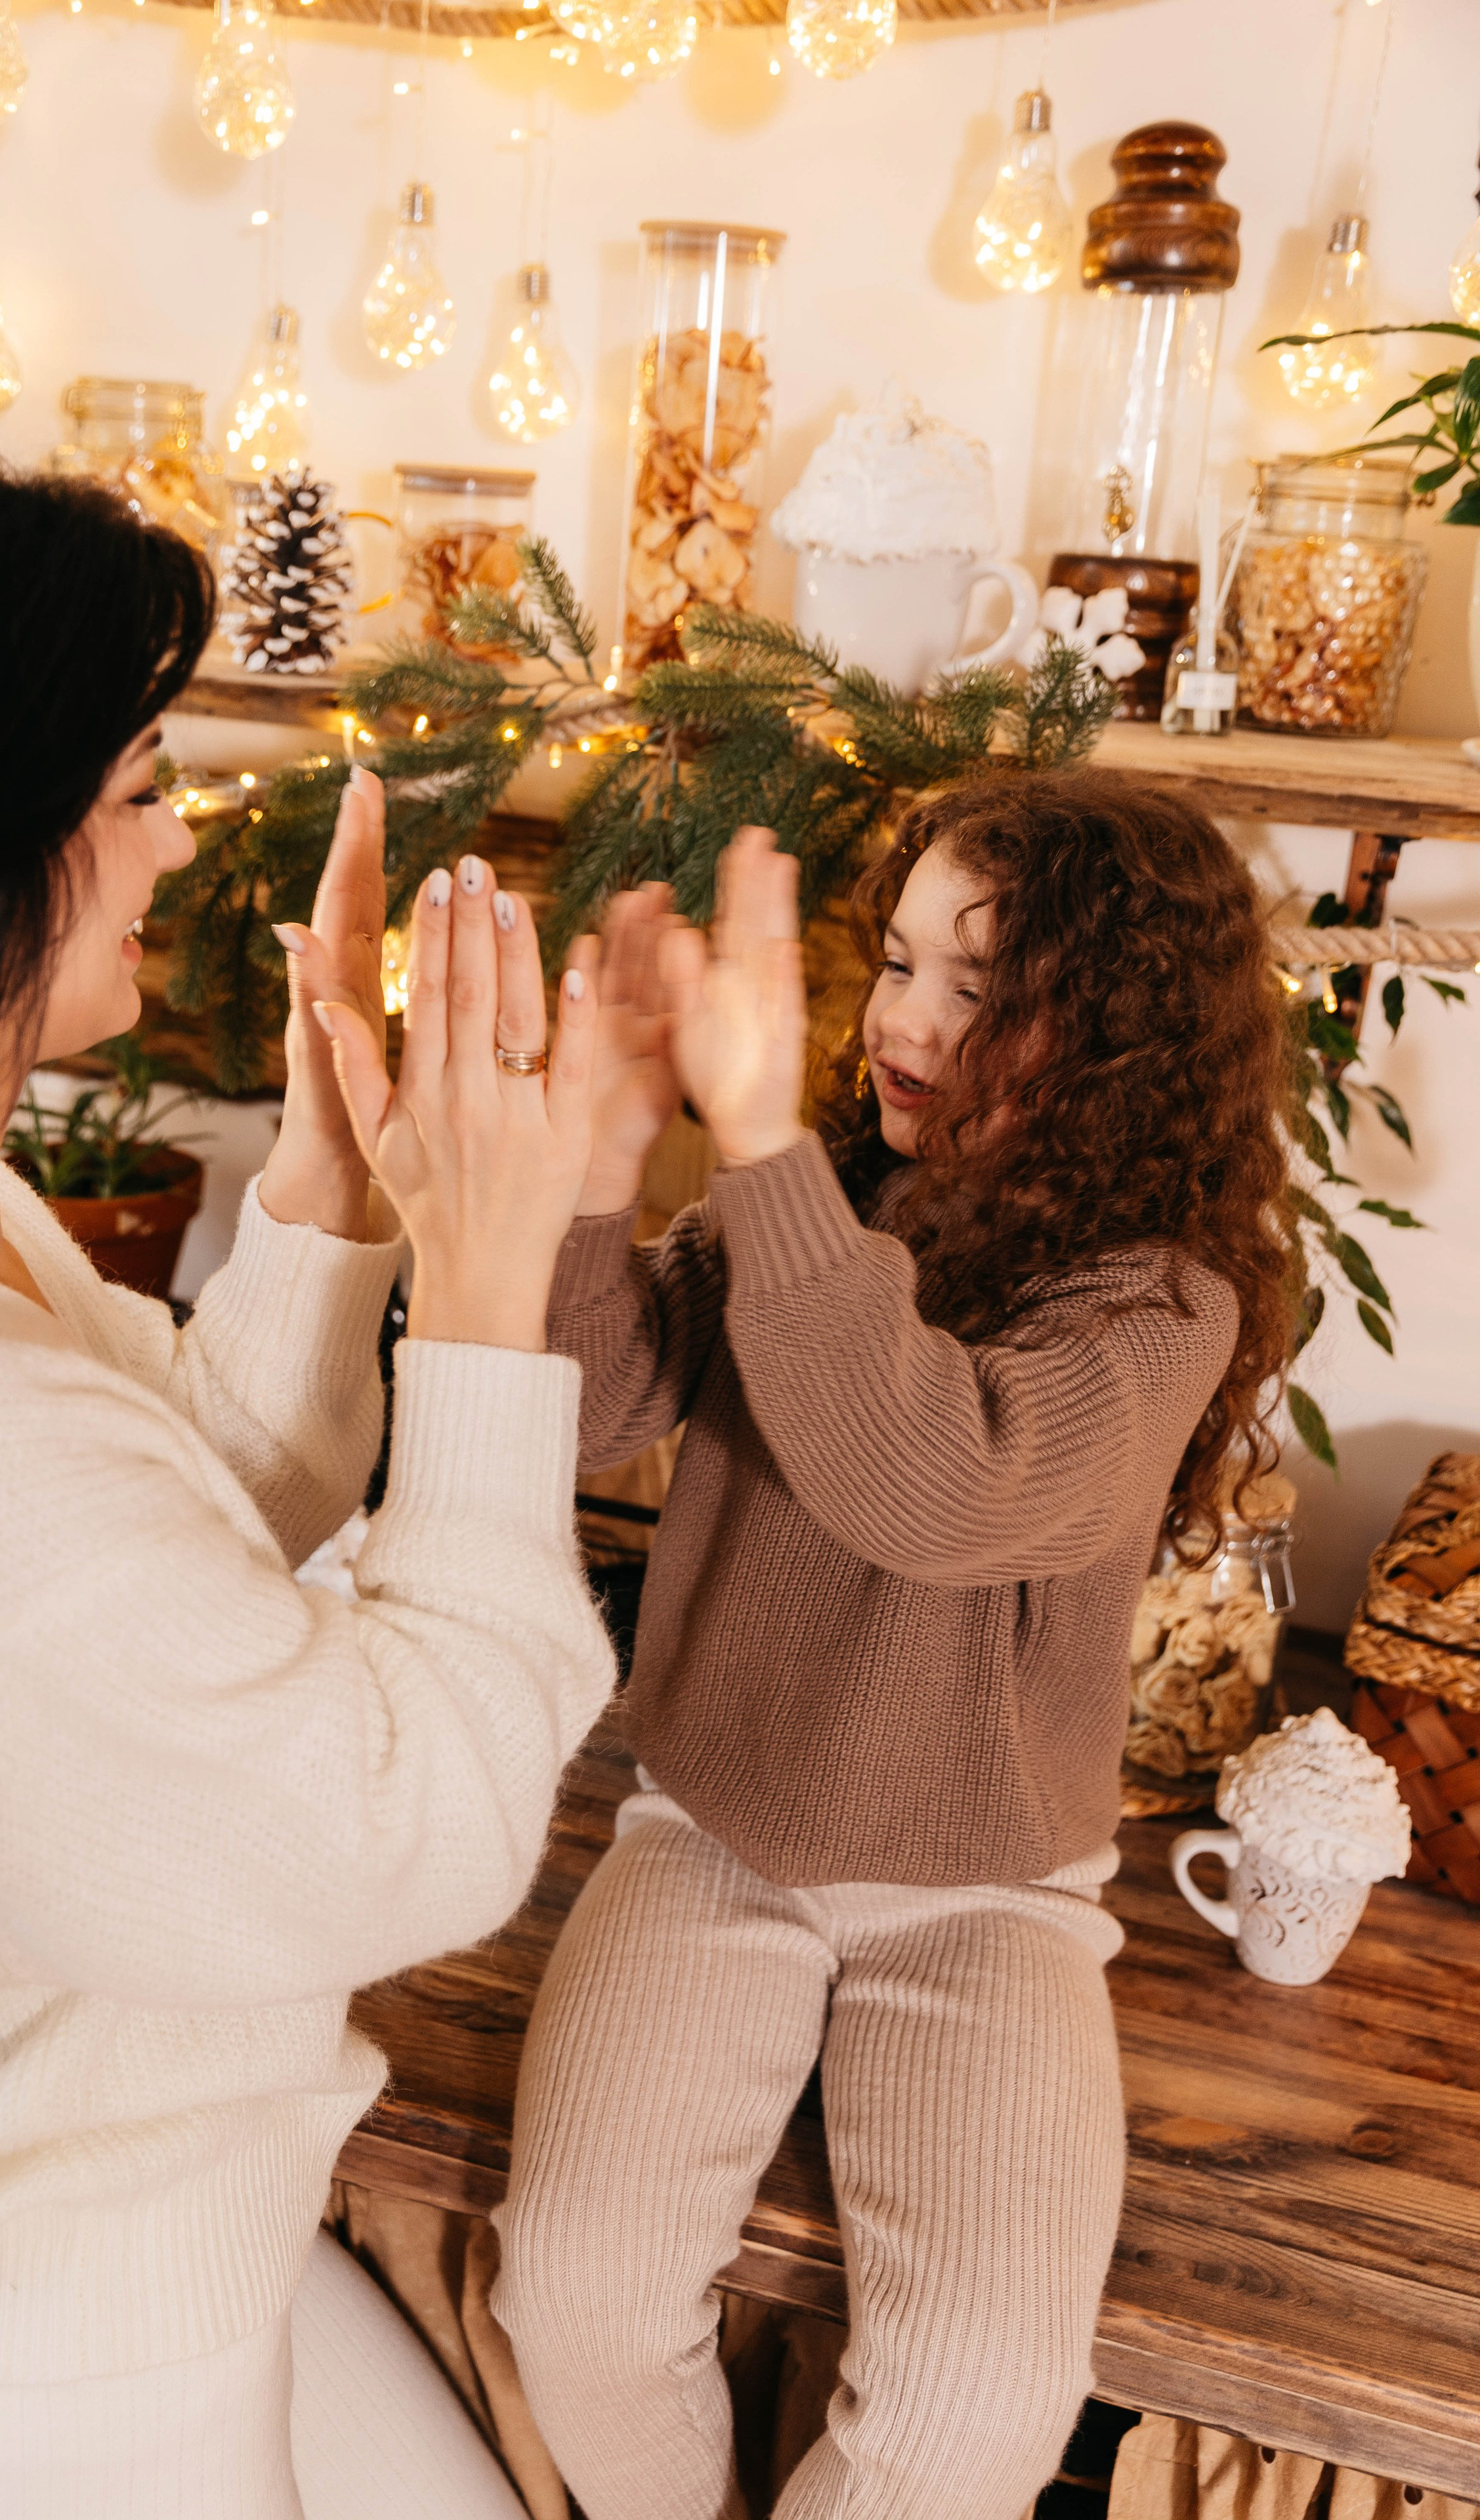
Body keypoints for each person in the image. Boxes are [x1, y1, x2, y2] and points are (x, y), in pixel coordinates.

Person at [0, 437, 613, 2519]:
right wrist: (495, 1292)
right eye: (148, 784)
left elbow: (151, 1570)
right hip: (28, 2422)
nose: (182, 846)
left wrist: (334, 1201)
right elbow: (392, 1817)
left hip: (54, 2317)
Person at [494, 775, 1297, 2520]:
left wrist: (769, 1150)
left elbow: (933, 1481)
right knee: (568, 2295)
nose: (908, 1023)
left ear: (1123, 1034)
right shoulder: (826, 1202)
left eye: (980, 989)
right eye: (903, 964)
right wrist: (611, 1156)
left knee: (973, 2417)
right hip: (712, 1831)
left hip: (986, 1889)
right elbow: (587, 1398)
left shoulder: (1158, 1304)